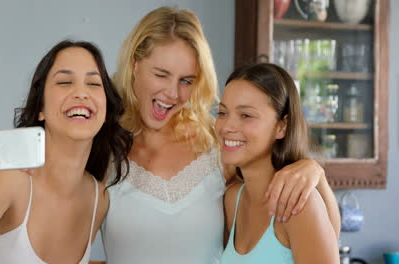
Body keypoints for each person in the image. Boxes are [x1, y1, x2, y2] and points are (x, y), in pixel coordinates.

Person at [101, 6, 340, 264]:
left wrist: (314, 170)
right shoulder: (102, 147)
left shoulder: (216, 145)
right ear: (135, 64)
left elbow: (323, 236)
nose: (172, 93)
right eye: (161, 74)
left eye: (186, 81)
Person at [0, 40, 132, 264]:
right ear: (40, 109)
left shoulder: (97, 199)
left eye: (94, 84)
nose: (81, 93)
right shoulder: (12, 178)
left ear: (105, 111)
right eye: (65, 82)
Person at [218, 63, 339, 263]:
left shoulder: (298, 204)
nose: (226, 127)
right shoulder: (233, 200)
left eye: (246, 115)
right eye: (222, 113)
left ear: (282, 127)